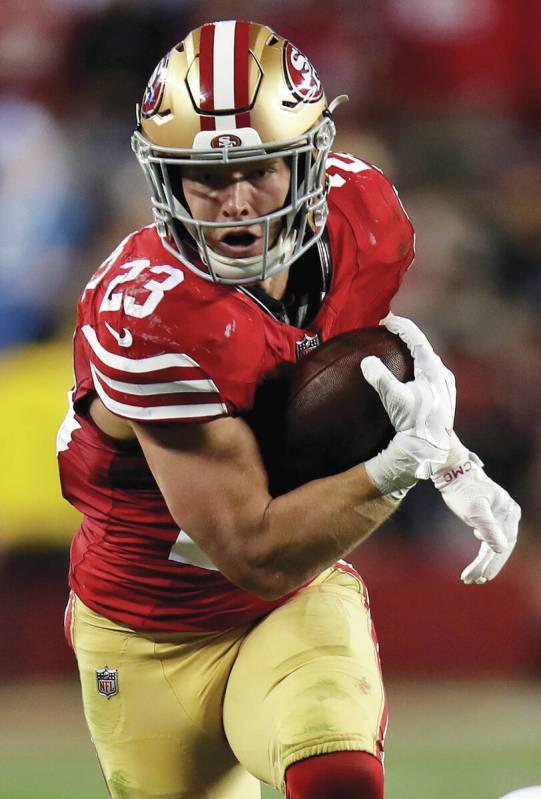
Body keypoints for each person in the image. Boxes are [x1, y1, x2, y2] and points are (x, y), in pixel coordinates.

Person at [57, 20, 520, 799]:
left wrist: (446, 453)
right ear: (162, 177)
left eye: (261, 167)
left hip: (288, 604)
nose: (235, 201)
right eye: (208, 176)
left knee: (337, 776)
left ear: (307, 159)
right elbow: (251, 545)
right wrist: (398, 469)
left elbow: (353, 386)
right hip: (144, 630)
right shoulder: (149, 312)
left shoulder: (360, 217)